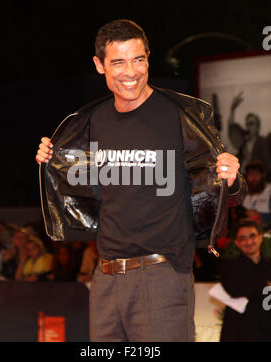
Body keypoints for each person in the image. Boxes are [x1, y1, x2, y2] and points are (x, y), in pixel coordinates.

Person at [35, 19, 246, 342]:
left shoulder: (181, 115)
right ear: (99, 65)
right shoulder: (90, 121)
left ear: (149, 57)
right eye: (118, 62)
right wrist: (52, 160)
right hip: (105, 278)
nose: (130, 72)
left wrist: (231, 180)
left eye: (138, 59)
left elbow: (226, 190)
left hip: (162, 274)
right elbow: (74, 183)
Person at [219, 219, 271, 341]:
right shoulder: (229, 265)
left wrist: (254, 287)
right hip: (238, 330)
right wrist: (266, 285)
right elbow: (235, 290)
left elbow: (245, 289)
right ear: (237, 243)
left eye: (252, 236)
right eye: (243, 238)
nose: (248, 241)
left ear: (260, 237)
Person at [227, 91, 270, 177]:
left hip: (257, 182)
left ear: (257, 126)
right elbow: (232, 128)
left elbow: (267, 166)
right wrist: (232, 109)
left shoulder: (262, 142)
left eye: (251, 124)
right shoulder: (243, 142)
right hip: (244, 180)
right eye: (247, 124)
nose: (248, 127)